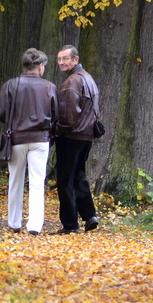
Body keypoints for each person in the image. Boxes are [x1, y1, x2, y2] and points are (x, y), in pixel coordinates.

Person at [0, 48, 57, 235]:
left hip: (16, 138)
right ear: (39, 66)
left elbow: (2, 114)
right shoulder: (49, 87)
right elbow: (55, 114)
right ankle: (34, 225)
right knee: (37, 182)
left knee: (15, 180)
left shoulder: (10, 85)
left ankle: (14, 222)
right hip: (40, 138)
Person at [53, 45, 100, 234]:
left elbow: (68, 115)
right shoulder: (88, 78)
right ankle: (90, 216)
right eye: (59, 59)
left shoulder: (72, 82)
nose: (61, 62)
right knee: (79, 176)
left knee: (66, 181)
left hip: (70, 137)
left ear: (75, 59)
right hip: (86, 136)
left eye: (65, 59)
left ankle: (70, 225)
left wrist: (58, 130)